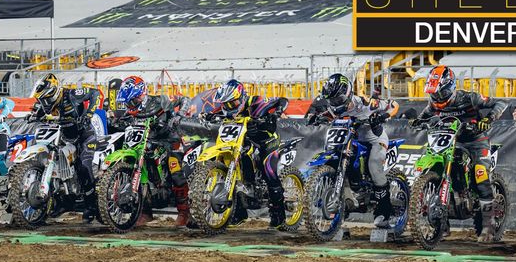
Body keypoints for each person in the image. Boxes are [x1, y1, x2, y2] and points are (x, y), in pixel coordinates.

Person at [410, 65, 507, 242]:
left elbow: (500, 103)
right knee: (437, 168)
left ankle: (489, 224)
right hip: (449, 140)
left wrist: (488, 119)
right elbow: (423, 117)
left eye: (441, 93)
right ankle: (441, 224)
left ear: (450, 88)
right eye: (434, 93)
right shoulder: (433, 103)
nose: (438, 97)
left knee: (480, 173)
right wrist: (416, 121)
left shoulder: (469, 98)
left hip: (475, 140)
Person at [306, 74, 400, 227]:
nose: (335, 103)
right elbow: (325, 114)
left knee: (374, 165)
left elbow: (394, 105)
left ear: (348, 93)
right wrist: (315, 117)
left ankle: (385, 211)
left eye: (338, 99)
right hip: (351, 139)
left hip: (374, 139)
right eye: (332, 100)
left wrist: (382, 115)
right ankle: (345, 202)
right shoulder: (331, 106)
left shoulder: (364, 103)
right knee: (337, 158)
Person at [200, 79, 289, 228]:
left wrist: (276, 113)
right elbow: (213, 113)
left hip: (266, 139)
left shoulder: (256, 101)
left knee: (267, 167)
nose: (229, 107)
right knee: (236, 167)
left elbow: (282, 100)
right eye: (226, 104)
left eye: (232, 103)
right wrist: (207, 116)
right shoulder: (225, 108)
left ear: (241, 97)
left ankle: (278, 213)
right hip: (242, 141)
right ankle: (239, 212)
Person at [112, 76, 190, 227]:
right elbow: (121, 121)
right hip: (145, 143)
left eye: (132, 101)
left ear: (141, 95)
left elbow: (184, 99)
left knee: (175, 168)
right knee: (139, 170)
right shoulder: (129, 111)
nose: (129, 105)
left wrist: (179, 115)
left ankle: (184, 212)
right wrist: (115, 121)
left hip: (168, 139)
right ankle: (144, 212)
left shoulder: (160, 100)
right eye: (127, 102)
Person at [28, 74, 103, 222]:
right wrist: (33, 115)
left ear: (55, 92)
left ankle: (91, 205)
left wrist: (88, 114)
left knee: (83, 165)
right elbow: (39, 111)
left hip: (84, 135)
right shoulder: (46, 103)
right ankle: (64, 201)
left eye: (47, 99)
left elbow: (95, 93)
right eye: (42, 100)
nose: (45, 103)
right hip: (64, 136)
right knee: (56, 164)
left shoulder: (72, 94)